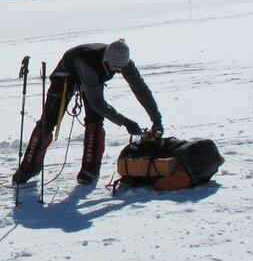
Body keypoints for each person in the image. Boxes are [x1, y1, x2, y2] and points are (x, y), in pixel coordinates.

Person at [13, 39, 162, 185]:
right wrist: (125, 122)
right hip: (66, 74)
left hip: (94, 78)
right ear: (107, 60)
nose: (119, 70)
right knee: (49, 120)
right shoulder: (89, 65)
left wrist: (156, 118)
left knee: (95, 121)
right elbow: (97, 103)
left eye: (122, 67)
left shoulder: (124, 64)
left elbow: (140, 89)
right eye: (115, 67)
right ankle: (29, 168)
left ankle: (89, 171)